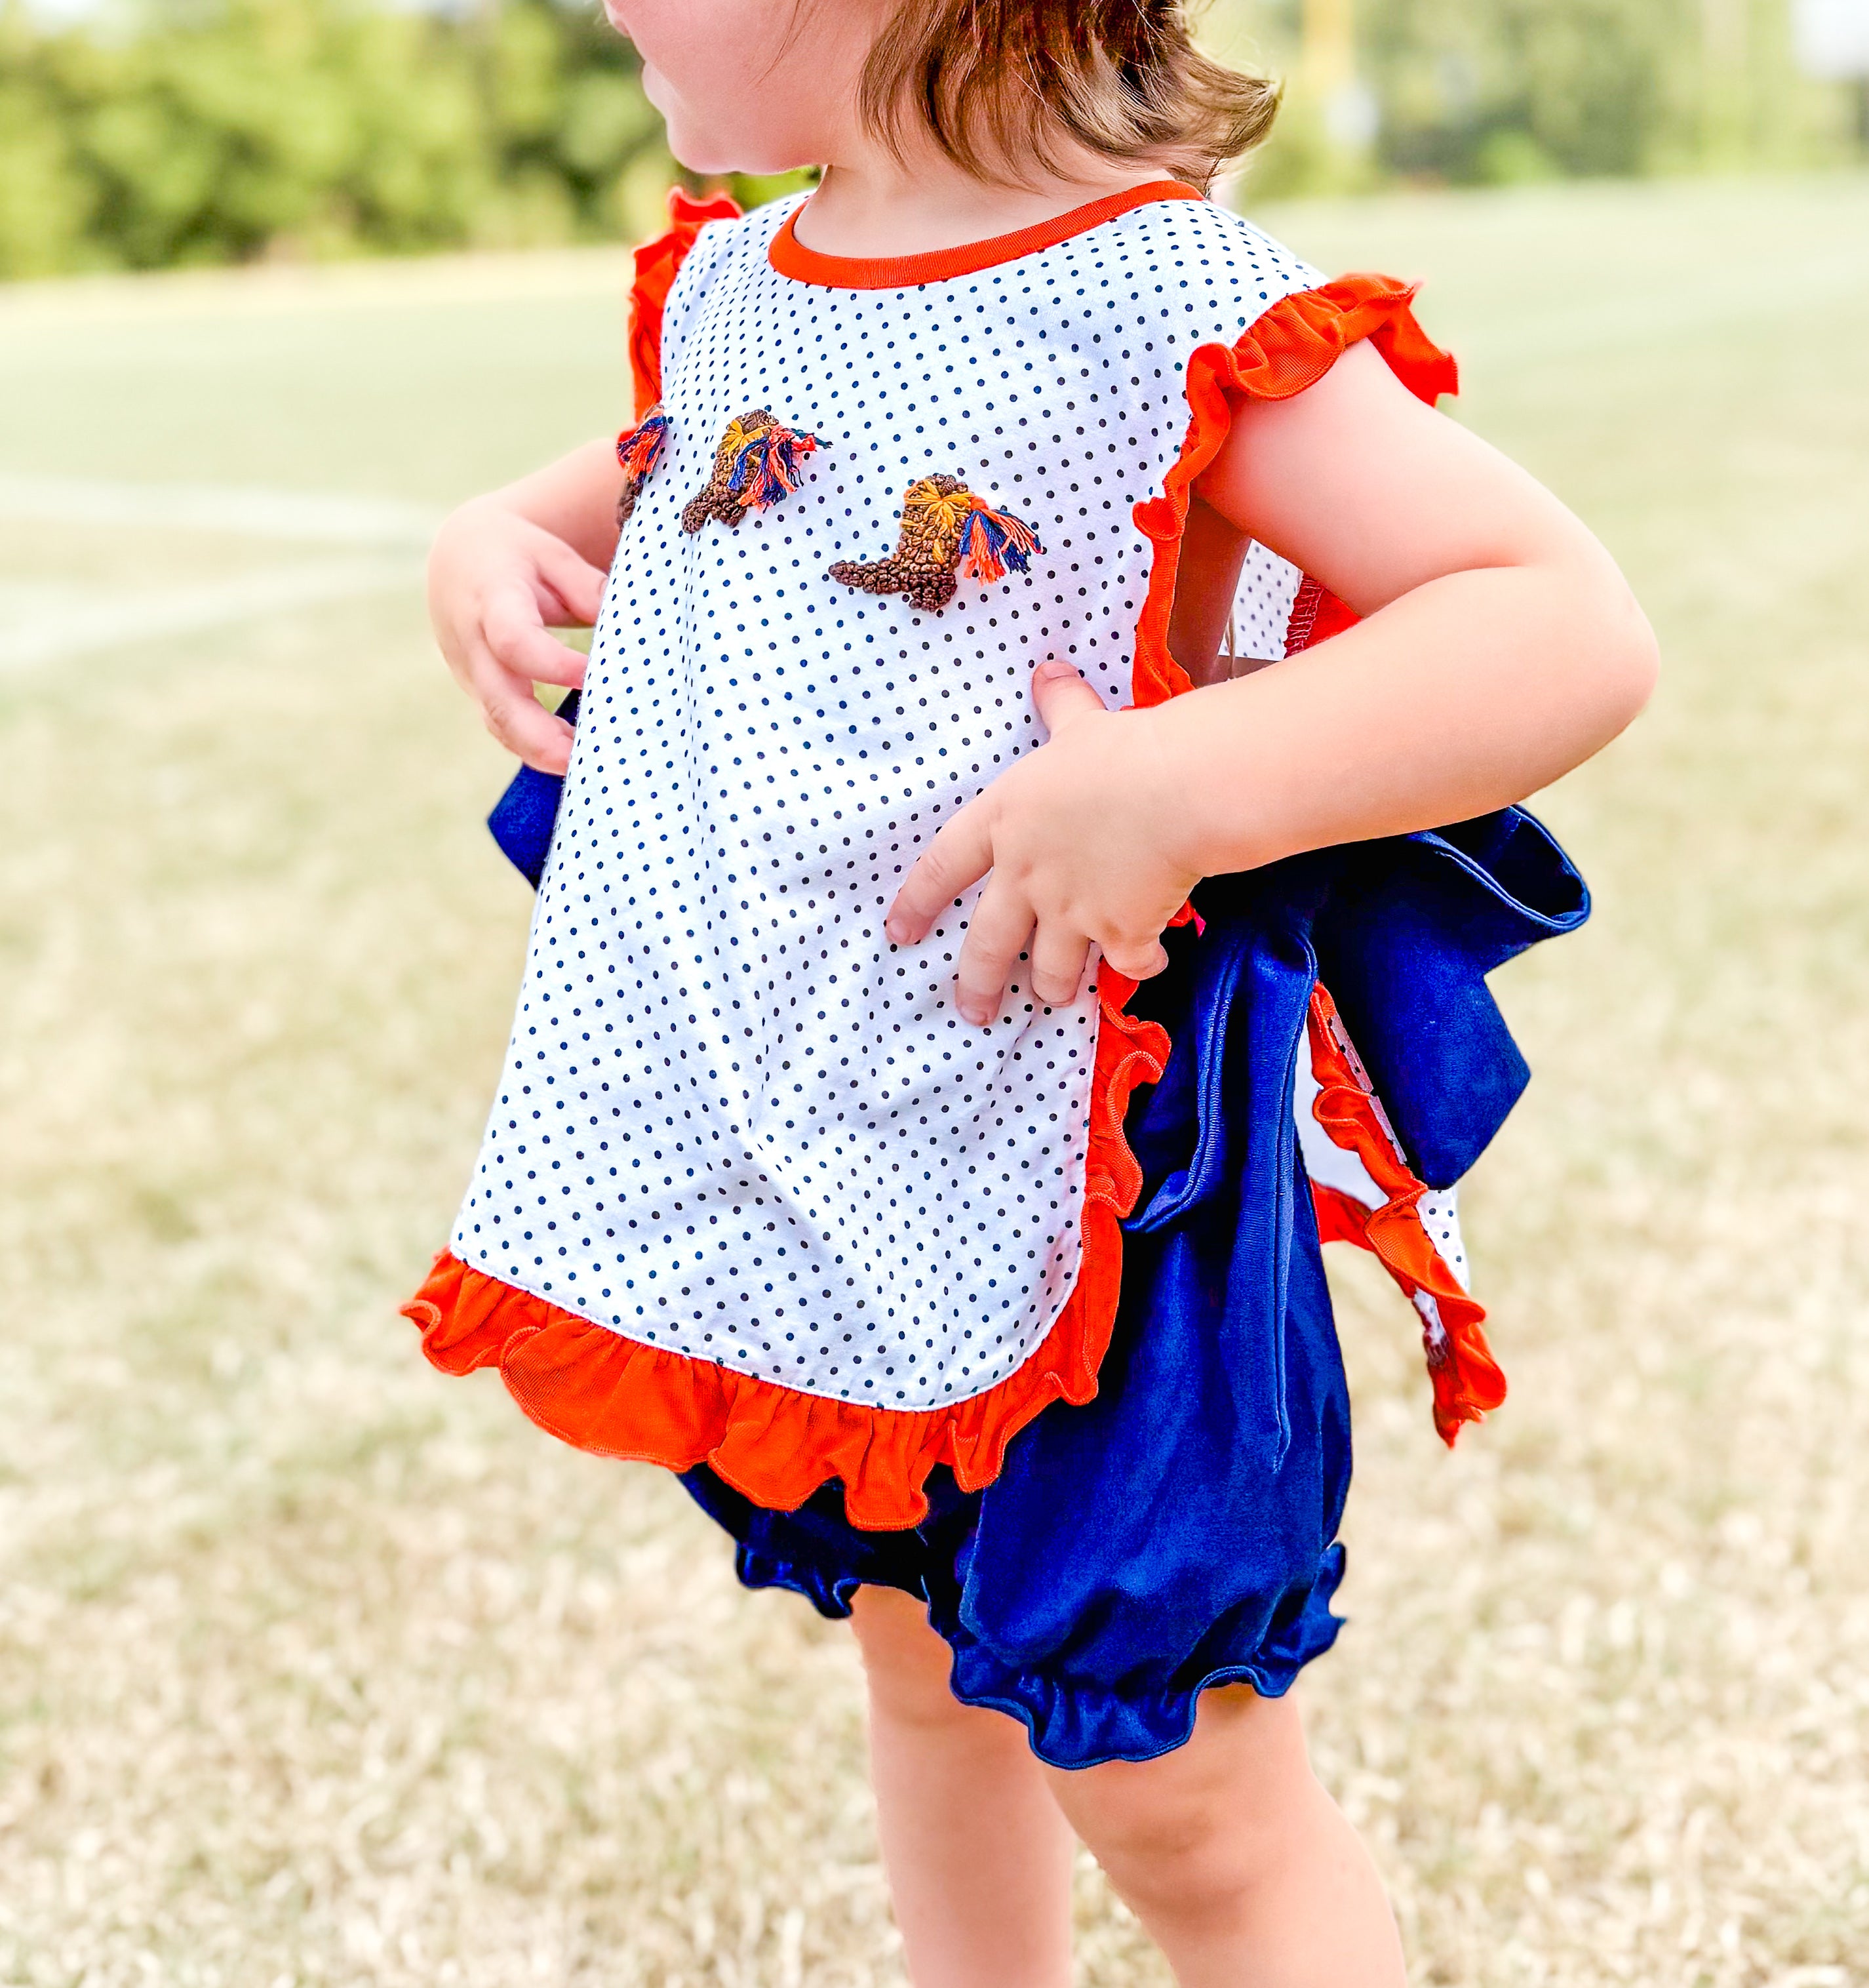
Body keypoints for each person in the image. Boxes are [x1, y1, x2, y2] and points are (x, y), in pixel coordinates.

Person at [409, 3, 1656, 1981]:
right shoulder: (738, 280)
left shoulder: (1155, 293)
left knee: (1182, 1790)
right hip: (837, 1153)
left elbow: (1557, 624)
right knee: (919, 1669)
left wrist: (1170, 785)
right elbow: (640, 485)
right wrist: (487, 538)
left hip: (1097, 1175)